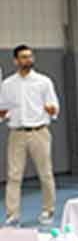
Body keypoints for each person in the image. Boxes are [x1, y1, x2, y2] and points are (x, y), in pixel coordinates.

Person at [0, 45, 60, 226]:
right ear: (16, 61)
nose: (28, 60)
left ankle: (48, 210)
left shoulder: (43, 82)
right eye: (23, 57)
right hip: (17, 133)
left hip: (39, 132)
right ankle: (12, 215)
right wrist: (4, 113)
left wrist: (51, 109)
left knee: (45, 174)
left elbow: (54, 106)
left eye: (29, 56)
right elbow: (3, 108)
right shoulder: (8, 84)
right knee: (14, 175)